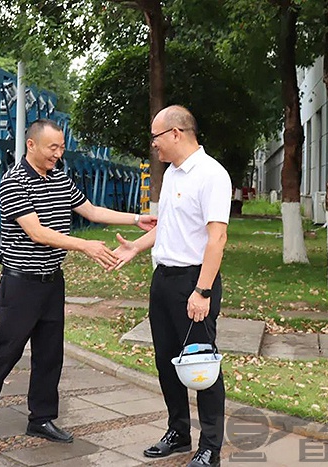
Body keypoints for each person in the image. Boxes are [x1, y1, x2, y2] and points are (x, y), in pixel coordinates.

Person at [0, 119, 157, 443]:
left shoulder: (60, 178)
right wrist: (85, 246)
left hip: (52, 283)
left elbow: (91, 211)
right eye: (53, 147)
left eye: (62, 148)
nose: (58, 154)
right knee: (6, 349)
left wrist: (137, 219)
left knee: (50, 353)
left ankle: (41, 418)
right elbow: (37, 232)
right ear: (31, 145)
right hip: (20, 284)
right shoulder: (14, 181)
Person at [111, 106, 231, 467]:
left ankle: (210, 446)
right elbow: (168, 225)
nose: (154, 144)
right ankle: (178, 432)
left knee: (202, 365)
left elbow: (217, 238)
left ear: (176, 133)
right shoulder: (174, 174)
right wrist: (136, 246)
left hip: (194, 282)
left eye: (156, 137)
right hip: (163, 280)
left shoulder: (211, 175)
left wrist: (202, 291)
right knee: (166, 362)